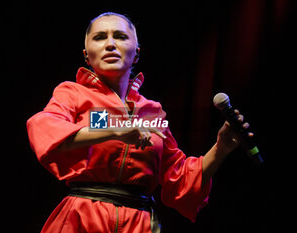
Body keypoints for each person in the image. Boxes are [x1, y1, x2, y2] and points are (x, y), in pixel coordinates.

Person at [26, 12, 252, 233]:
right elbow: (47, 128)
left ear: (136, 54)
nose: (110, 44)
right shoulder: (72, 93)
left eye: (120, 36)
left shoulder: (153, 112)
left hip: (139, 223)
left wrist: (220, 149)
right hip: (84, 217)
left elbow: (179, 176)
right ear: (87, 55)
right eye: (100, 37)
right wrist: (117, 130)